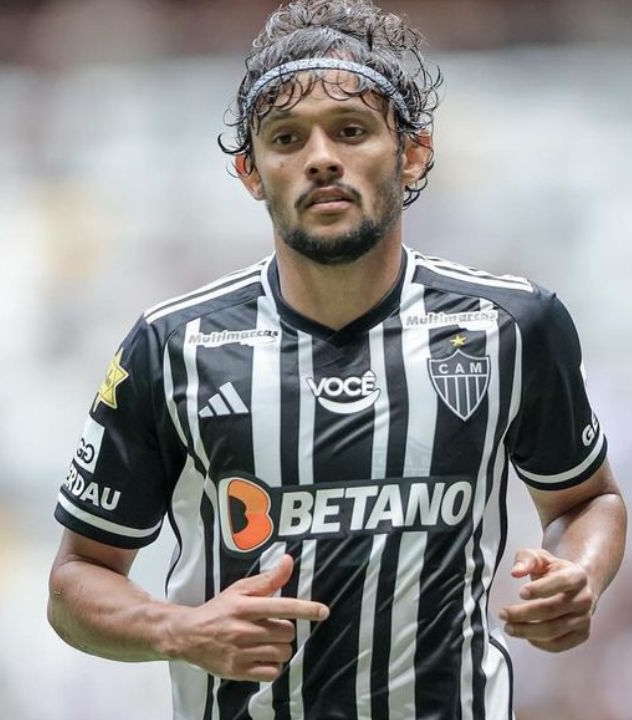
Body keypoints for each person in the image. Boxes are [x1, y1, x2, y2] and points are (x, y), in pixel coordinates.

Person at [46, 1, 626, 718]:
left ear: (411, 151)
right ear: (252, 172)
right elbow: (76, 580)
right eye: (286, 138)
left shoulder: (511, 324)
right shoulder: (172, 348)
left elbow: (586, 499)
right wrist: (182, 629)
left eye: (351, 131)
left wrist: (580, 573)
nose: (321, 157)